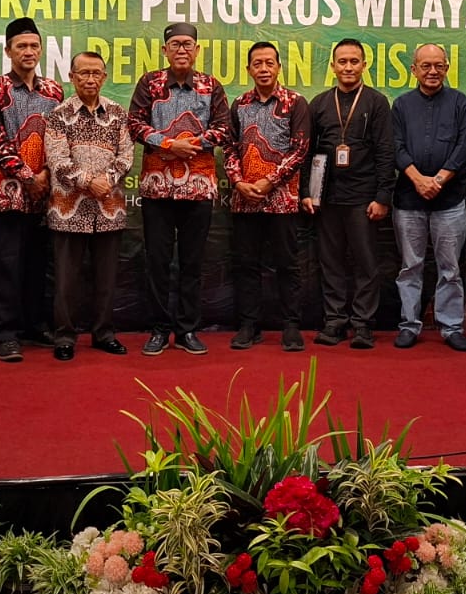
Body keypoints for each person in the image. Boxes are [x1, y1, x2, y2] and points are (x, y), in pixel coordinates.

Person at [128, 21, 231, 356]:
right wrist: (169, 143)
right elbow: (134, 124)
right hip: (158, 189)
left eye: (188, 44)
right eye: (175, 44)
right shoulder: (150, 83)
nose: (182, 50)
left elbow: (223, 128)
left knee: (192, 263)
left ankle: (187, 330)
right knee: (158, 262)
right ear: (165, 50)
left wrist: (193, 144)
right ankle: (159, 329)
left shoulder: (211, 86)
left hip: (198, 189)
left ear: (197, 49)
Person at [0, 17, 65, 362]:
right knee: (6, 264)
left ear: (41, 50)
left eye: (34, 46)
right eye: (21, 46)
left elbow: (58, 139)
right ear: (8, 51)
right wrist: (29, 177)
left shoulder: (54, 91)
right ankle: (6, 333)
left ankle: (35, 324)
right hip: (7, 191)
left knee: (37, 262)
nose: (28, 52)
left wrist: (46, 175)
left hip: (44, 193)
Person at [303, 38, 395, 350]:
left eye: (354, 61)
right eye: (342, 61)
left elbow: (386, 152)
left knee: (366, 263)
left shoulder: (376, 102)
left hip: (363, 197)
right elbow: (307, 153)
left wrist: (383, 196)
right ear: (332, 66)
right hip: (327, 197)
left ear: (364, 65)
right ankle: (335, 321)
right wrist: (307, 193)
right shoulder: (319, 103)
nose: (348, 67)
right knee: (330, 262)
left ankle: (363, 324)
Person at [43, 50, 134, 360]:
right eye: (84, 73)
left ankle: (104, 333)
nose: (90, 79)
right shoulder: (59, 115)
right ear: (72, 77)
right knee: (66, 281)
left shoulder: (117, 113)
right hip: (68, 209)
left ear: (104, 77)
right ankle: (64, 337)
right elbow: (57, 160)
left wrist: (107, 179)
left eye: (96, 73)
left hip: (109, 207)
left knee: (106, 279)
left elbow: (126, 155)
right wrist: (88, 182)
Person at [226, 42, 311, 352]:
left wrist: (269, 181)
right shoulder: (239, 104)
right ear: (249, 69)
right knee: (247, 264)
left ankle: (291, 325)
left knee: (287, 264)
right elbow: (230, 147)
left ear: (278, 67)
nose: (263, 69)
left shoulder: (295, 103)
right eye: (257, 63)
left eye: (269, 63)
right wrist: (238, 182)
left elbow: (300, 150)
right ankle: (249, 325)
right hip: (245, 200)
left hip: (282, 201)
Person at [390, 43, 466, 351]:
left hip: (449, 200)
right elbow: (396, 146)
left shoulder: (460, 102)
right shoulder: (401, 105)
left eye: (439, 65)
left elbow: (465, 147)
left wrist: (437, 180)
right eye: (425, 66)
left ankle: (451, 327)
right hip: (408, 200)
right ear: (413, 69)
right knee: (410, 266)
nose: (432, 71)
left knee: (450, 268)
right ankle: (409, 325)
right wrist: (418, 180)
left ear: (447, 68)